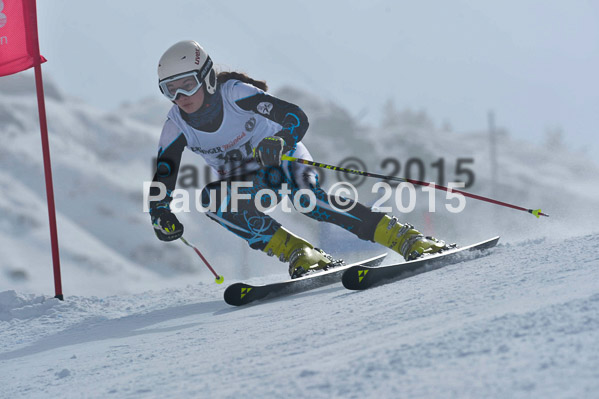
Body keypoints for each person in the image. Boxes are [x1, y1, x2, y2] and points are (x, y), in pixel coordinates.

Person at [148, 40, 448, 278]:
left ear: (207, 78)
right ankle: (301, 253)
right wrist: (159, 212)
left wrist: (279, 140)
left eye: (187, 84)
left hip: (284, 158)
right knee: (213, 201)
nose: (181, 97)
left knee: (306, 200)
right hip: (250, 180)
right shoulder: (176, 125)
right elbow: (165, 173)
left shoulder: (235, 94)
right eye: (170, 90)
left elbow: (296, 117)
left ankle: (405, 238)